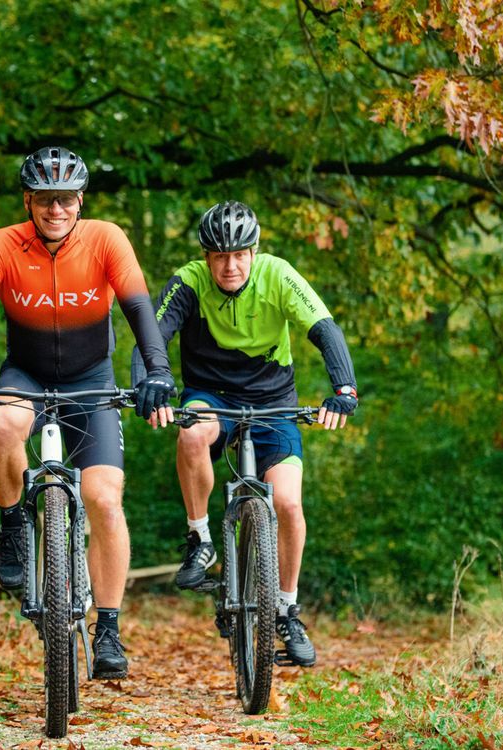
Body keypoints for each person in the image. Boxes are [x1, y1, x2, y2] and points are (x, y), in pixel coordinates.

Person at [0, 146, 175, 680]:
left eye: (65, 199)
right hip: (27, 375)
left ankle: (107, 626)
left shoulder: (106, 239)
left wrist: (157, 372)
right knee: (0, 422)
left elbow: (137, 308)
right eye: (44, 200)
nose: (55, 210)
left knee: (105, 500)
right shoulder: (4, 245)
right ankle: (13, 521)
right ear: (28, 201)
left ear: (80, 201)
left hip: (92, 380)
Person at [132, 200, 357, 667]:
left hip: (274, 401)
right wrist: (148, 384)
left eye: (239, 254)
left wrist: (344, 389)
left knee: (289, 503)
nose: (229, 265)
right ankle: (200, 538)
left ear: (254, 252)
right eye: (219, 256)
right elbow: (153, 335)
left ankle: (286, 610)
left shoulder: (278, 275)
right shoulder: (190, 280)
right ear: (206, 256)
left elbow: (325, 329)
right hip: (210, 394)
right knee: (191, 435)